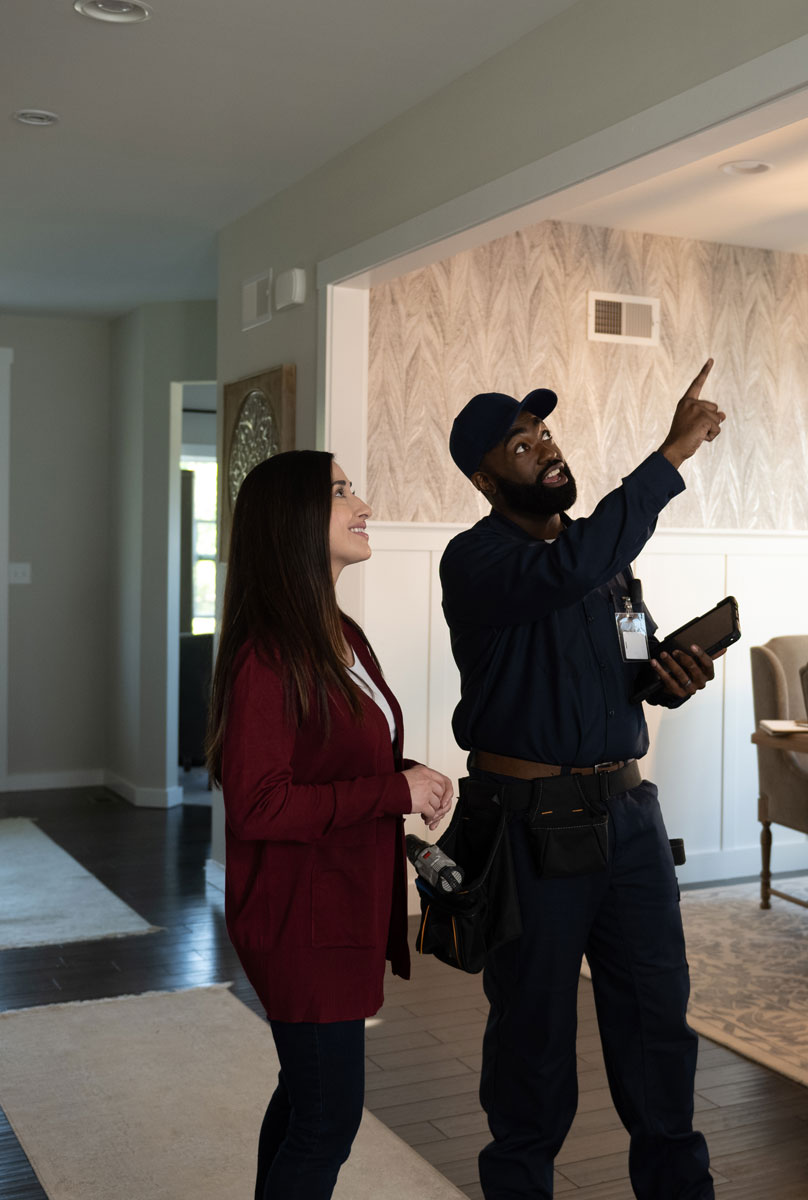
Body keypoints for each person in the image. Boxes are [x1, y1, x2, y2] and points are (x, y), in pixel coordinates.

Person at [439, 362, 728, 1200]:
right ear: (486, 478)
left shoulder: (603, 565)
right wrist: (670, 454)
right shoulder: (476, 561)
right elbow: (567, 571)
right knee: (532, 1045)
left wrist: (667, 674)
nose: (546, 453)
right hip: (529, 828)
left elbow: (631, 662)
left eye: (547, 437)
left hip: (629, 819)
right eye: (522, 448)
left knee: (658, 1034)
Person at [207, 449, 455, 1200]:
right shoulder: (267, 657)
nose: (364, 503)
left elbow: (341, 749)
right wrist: (391, 791)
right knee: (328, 1121)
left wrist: (411, 776)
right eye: (342, 492)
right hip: (299, 917)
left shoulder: (339, 631)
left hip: (339, 905)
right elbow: (259, 805)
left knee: (306, 1099)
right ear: (293, 521)